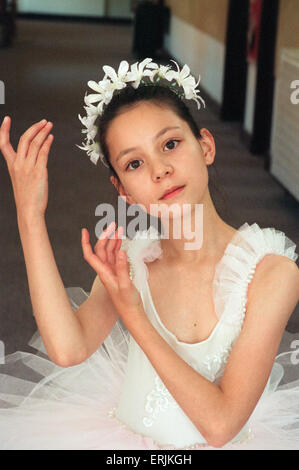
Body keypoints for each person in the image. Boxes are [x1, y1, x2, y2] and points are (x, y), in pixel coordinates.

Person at [0, 57, 298, 450]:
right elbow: (67, 349)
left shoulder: (271, 273)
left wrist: (133, 313)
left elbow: (221, 425)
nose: (160, 170)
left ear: (205, 145)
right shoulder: (132, 259)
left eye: (171, 144)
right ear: (122, 190)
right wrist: (30, 215)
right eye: (135, 163)